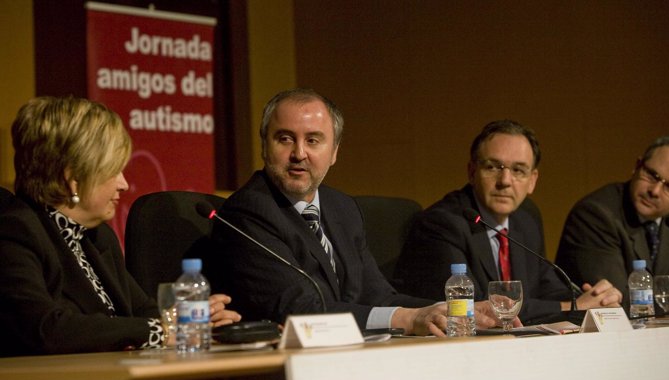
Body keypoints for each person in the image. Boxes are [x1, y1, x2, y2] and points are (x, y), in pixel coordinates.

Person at [204, 88, 511, 336]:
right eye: (285, 139)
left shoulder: (342, 208)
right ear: (264, 146)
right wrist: (408, 318)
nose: (299, 153)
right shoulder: (248, 212)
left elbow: (379, 297)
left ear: (334, 151)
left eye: (313, 140)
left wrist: (450, 309)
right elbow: (302, 310)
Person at [0, 96, 241, 357]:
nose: (124, 184)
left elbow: (140, 312)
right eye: (113, 171)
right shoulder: (15, 231)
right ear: (73, 181)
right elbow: (46, 328)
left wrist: (191, 320)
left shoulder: (96, 235)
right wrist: (161, 331)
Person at [394, 120, 622, 324]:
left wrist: (596, 300)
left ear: (532, 181)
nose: (505, 181)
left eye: (518, 170)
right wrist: (573, 307)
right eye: (493, 167)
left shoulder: (526, 220)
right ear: (472, 171)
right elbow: (476, 307)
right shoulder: (442, 223)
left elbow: (547, 288)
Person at [556, 136, 669, 313]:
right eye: (652, 175)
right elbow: (618, 302)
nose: (655, 191)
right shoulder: (596, 214)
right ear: (637, 166)